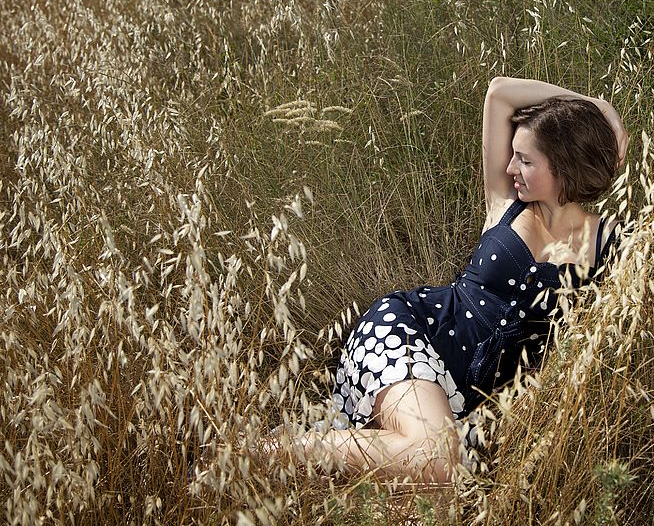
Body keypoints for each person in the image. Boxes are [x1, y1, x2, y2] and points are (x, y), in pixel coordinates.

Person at [246, 77, 628, 483]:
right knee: (438, 459)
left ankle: (321, 456)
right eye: (513, 155)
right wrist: (596, 107)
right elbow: (499, 93)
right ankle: (257, 453)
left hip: (468, 403)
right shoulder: (506, 203)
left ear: (564, 166)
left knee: (435, 494)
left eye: (525, 160)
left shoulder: (609, 244)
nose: (510, 167)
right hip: (410, 333)